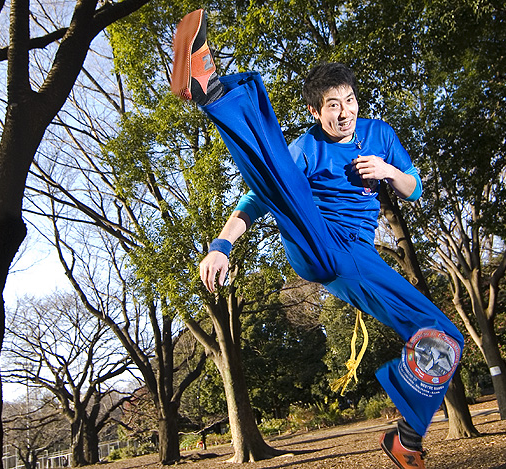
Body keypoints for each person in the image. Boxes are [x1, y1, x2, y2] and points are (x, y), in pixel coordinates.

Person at [171, 9, 463, 469]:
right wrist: (220, 245)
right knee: (280, 180)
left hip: (357, 254)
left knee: (443, 337)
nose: (344, 112)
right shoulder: (307, 146)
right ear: (316, 111)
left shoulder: (379, 135)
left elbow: (414, 187)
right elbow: (256, 198)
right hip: (317, 238)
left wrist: (389, 172)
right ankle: (214, 91)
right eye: (332, 105)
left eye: (349, 101)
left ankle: (406, 441)